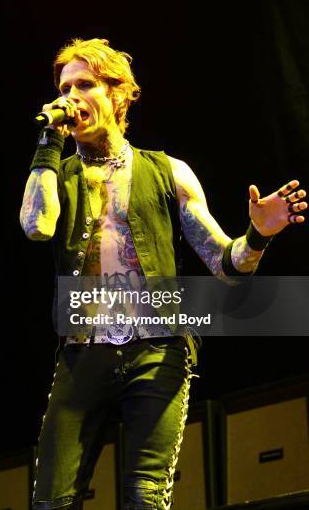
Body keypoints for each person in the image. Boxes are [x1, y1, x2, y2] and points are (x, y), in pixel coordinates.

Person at [20, 38, 306, 510]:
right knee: (51, 501)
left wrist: (258, 234)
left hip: (158, 347)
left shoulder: (169, 171)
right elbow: (37, 226)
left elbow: (226, 266)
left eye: (85, 84)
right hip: (82, 352)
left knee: (146, 498)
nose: (70, 97)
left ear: (118, 94)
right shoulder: (58, 173)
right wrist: (48, 140)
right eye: (64, 87)